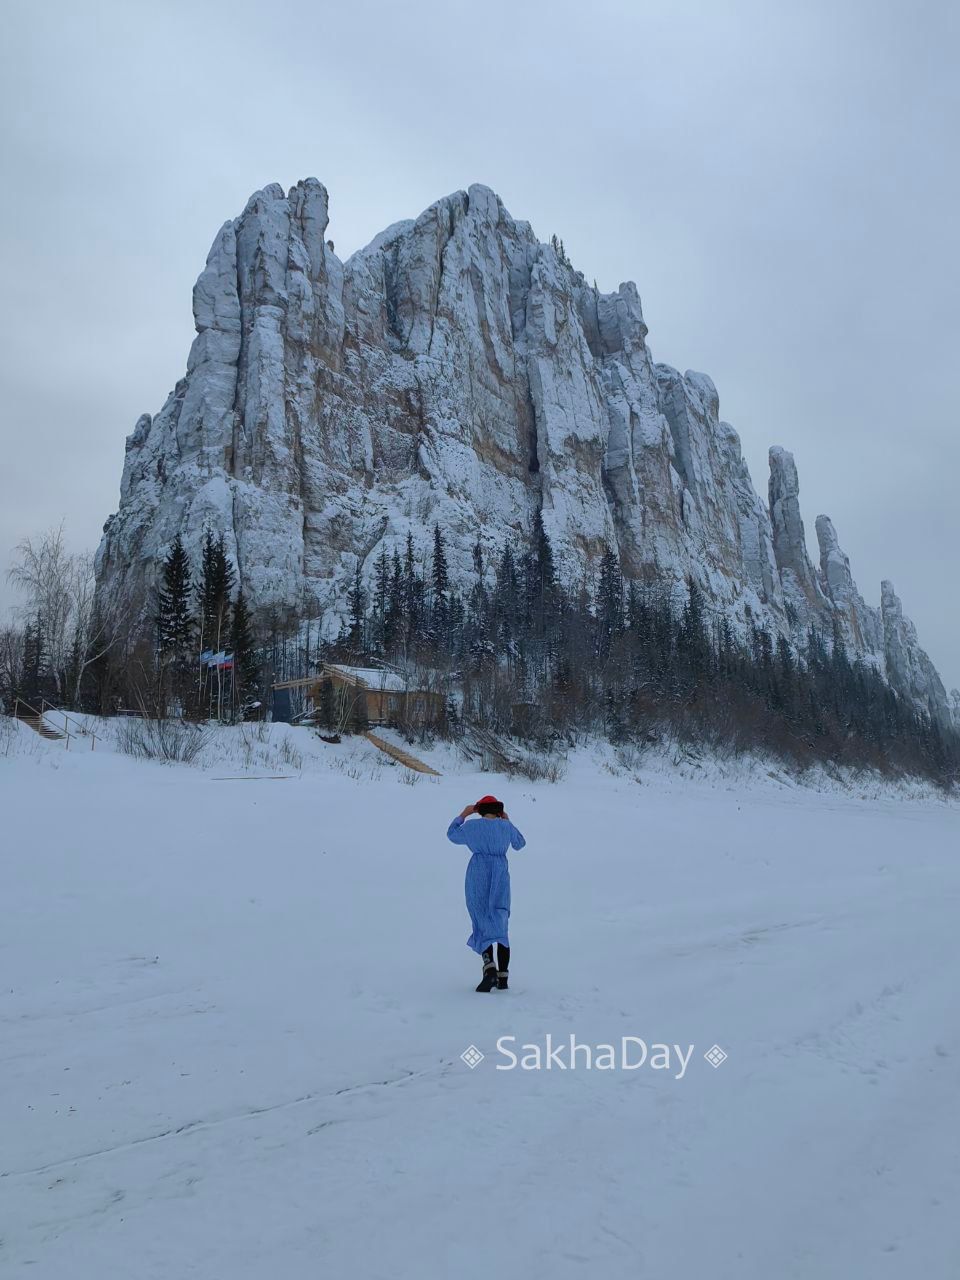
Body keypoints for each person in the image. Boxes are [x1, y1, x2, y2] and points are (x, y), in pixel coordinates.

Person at [447, 795, 526, 992]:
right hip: (500, 875)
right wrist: (507, 821)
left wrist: (464, 814)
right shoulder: (505, 827)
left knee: (481, 920)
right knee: (500, 922)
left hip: (478, 875)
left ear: (480, 810)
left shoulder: (472, 827)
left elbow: (451, 834)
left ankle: (489, 969)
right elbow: (520, 843)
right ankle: (503, 978)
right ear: (499, 810)